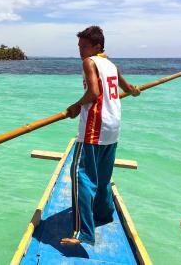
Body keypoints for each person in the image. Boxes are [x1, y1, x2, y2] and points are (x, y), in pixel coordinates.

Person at [60, 26, 140, 246]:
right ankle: (104, 214)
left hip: (95, 127)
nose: (80, 51)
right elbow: (128, 88)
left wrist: (76, 105)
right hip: (113, 127)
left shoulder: (90, 62)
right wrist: (134, 90)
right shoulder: (111, 64)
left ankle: (83, 232)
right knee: (103, 174)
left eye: (84, 46)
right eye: (79, 46)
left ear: (97, 47)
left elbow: (94, 92)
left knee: (80, 175)